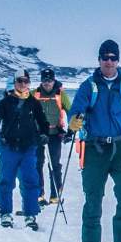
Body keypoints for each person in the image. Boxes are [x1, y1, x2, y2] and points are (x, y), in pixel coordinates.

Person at [69, 38, 121, 242]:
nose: (109, 62)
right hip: (95, 147)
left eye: (113, 58)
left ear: (118, 60)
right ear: (99, 60)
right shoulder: (89, 85)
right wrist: (74, 121)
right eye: (105, 58)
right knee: (93, 197)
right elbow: (76, 110)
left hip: (120, 147)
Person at [0, 69, 48, 229]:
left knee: (30, 179)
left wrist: (44, 134)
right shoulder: (5, 103)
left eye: (25, 81)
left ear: (29, 83)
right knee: (6, 179)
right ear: (15, 82)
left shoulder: (34, 103)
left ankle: (30, 214)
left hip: (28, 147)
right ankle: (5, 212)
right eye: (20, 81)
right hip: (8, 146)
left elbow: (43, 122)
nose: (23, 84)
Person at [31, 67, 73, 205]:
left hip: (55, 133)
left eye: (49, 80)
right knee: (38, 163)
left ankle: (55, 194)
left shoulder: (61, 94)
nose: (47, 83)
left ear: (54, 80)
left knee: (55, 164)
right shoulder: (34, 94)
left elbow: (71, 111)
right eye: (44, 80)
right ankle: (39, 194)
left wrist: (71, 130)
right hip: (38, 134)